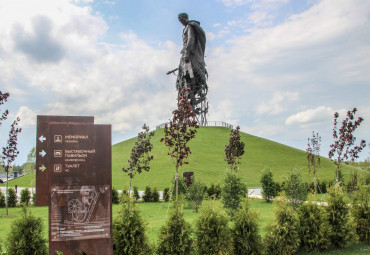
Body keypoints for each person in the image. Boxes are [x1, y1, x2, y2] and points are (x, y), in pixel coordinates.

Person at [176, 13, 208, 102]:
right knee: (184, 75)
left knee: (189, 73)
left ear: (186, 18)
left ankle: (194, 93)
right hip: (186, 54)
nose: (181, 22)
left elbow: (191, 40)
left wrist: (186, 53)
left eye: (182, 20)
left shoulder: (190, 26)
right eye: (179, 20)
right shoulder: (185, 28)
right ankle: (189, 95)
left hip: (191, 55)